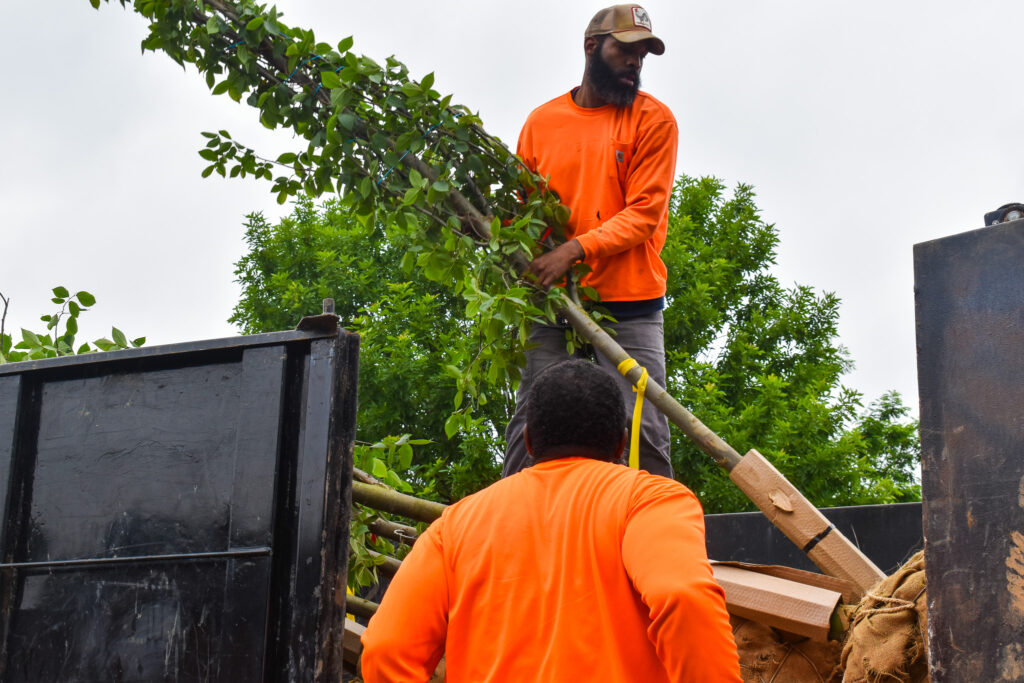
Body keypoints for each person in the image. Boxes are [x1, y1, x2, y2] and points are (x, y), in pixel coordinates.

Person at [360, 360, 741, 682]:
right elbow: (683, 598)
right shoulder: (650, 500)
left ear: (527, 441)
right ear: (620, 444)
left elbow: (385, 650)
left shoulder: (457, 524)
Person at [503, 4, 679, 479]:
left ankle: (653, 528)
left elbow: (644, 214)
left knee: (642, 423)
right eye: (625, 49)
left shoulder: (653, 121)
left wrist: (573, 250)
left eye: (643, 53)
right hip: (553, 299)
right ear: (591, 47)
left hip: (629, 301)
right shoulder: (542, 123)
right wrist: (496, 232)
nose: (635, 62)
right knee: (533, 417)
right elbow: (522, 208)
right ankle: (511, 529)